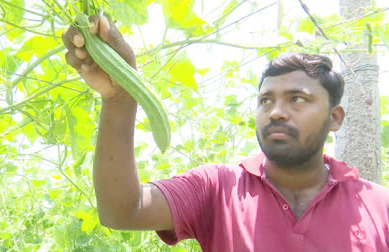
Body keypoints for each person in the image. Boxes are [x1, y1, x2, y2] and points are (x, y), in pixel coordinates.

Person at [62, 15, 389, 251]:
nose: (275, 111)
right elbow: (123, 210)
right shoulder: (217, 188)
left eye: (297, 99)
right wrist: (121, 96)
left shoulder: (380, 207)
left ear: (335, 118)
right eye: (265, 100)